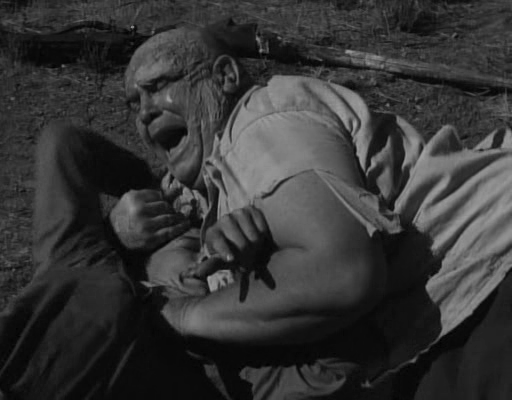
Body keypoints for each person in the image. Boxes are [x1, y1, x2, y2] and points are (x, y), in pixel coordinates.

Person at [1, 22, 512, 400]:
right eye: (133, 103)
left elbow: (342, 273)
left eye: (157, 86)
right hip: (450, 308)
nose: (144, 112)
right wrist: (125, 226)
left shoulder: (259, 119)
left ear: (224, 77)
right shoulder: (212, 189)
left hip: (486, 274)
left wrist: (178, 315)